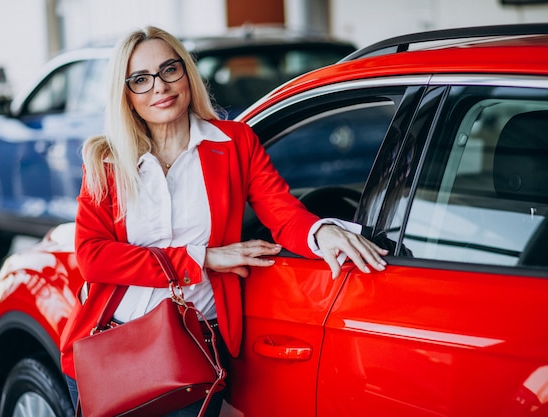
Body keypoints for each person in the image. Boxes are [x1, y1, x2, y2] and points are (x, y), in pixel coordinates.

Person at [59, 26, 388, 416]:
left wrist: (323, 231)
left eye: (169, 70)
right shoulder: (106, 160)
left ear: (187, 74)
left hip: (194, 354)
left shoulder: (234, 143)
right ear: (126, 95)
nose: (160, 88)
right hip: (115, 346)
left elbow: (283, 214)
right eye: (141, 80)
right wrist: (202, 259)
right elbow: (93, 256)